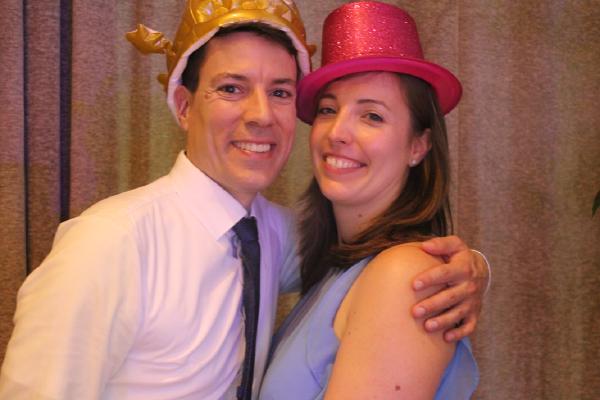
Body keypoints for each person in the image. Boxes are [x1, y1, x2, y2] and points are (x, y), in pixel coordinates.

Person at [0, 1, 487, 399]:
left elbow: (379, 262)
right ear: (184, 105)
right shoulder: (109, 243)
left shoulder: (277, 236)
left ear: (419, 144)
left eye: (280, 92)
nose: (260, 116)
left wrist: (472, 267)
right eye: (232, 88)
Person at [260, 2, 479, 399]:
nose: (337, 133)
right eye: (328, 109)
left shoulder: (405, 275)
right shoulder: (334, 266)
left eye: (372, 116)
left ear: (418, 145)